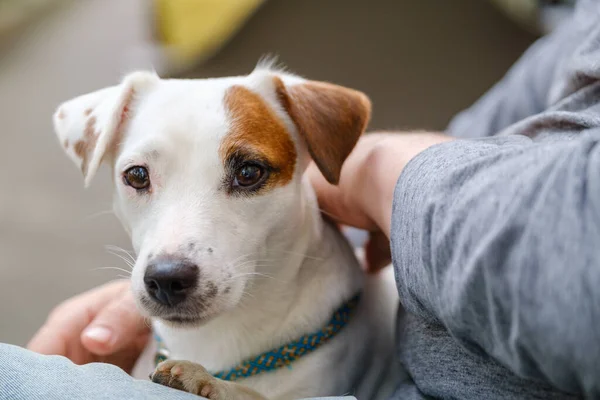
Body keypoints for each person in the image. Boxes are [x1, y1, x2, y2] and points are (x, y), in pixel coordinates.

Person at [3, 0, 600, 398]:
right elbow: (480, 139)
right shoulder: (575, 39)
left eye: (246, 174)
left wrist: (370, 166)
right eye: (139, 179)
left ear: (318, 155)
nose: (168, 255)